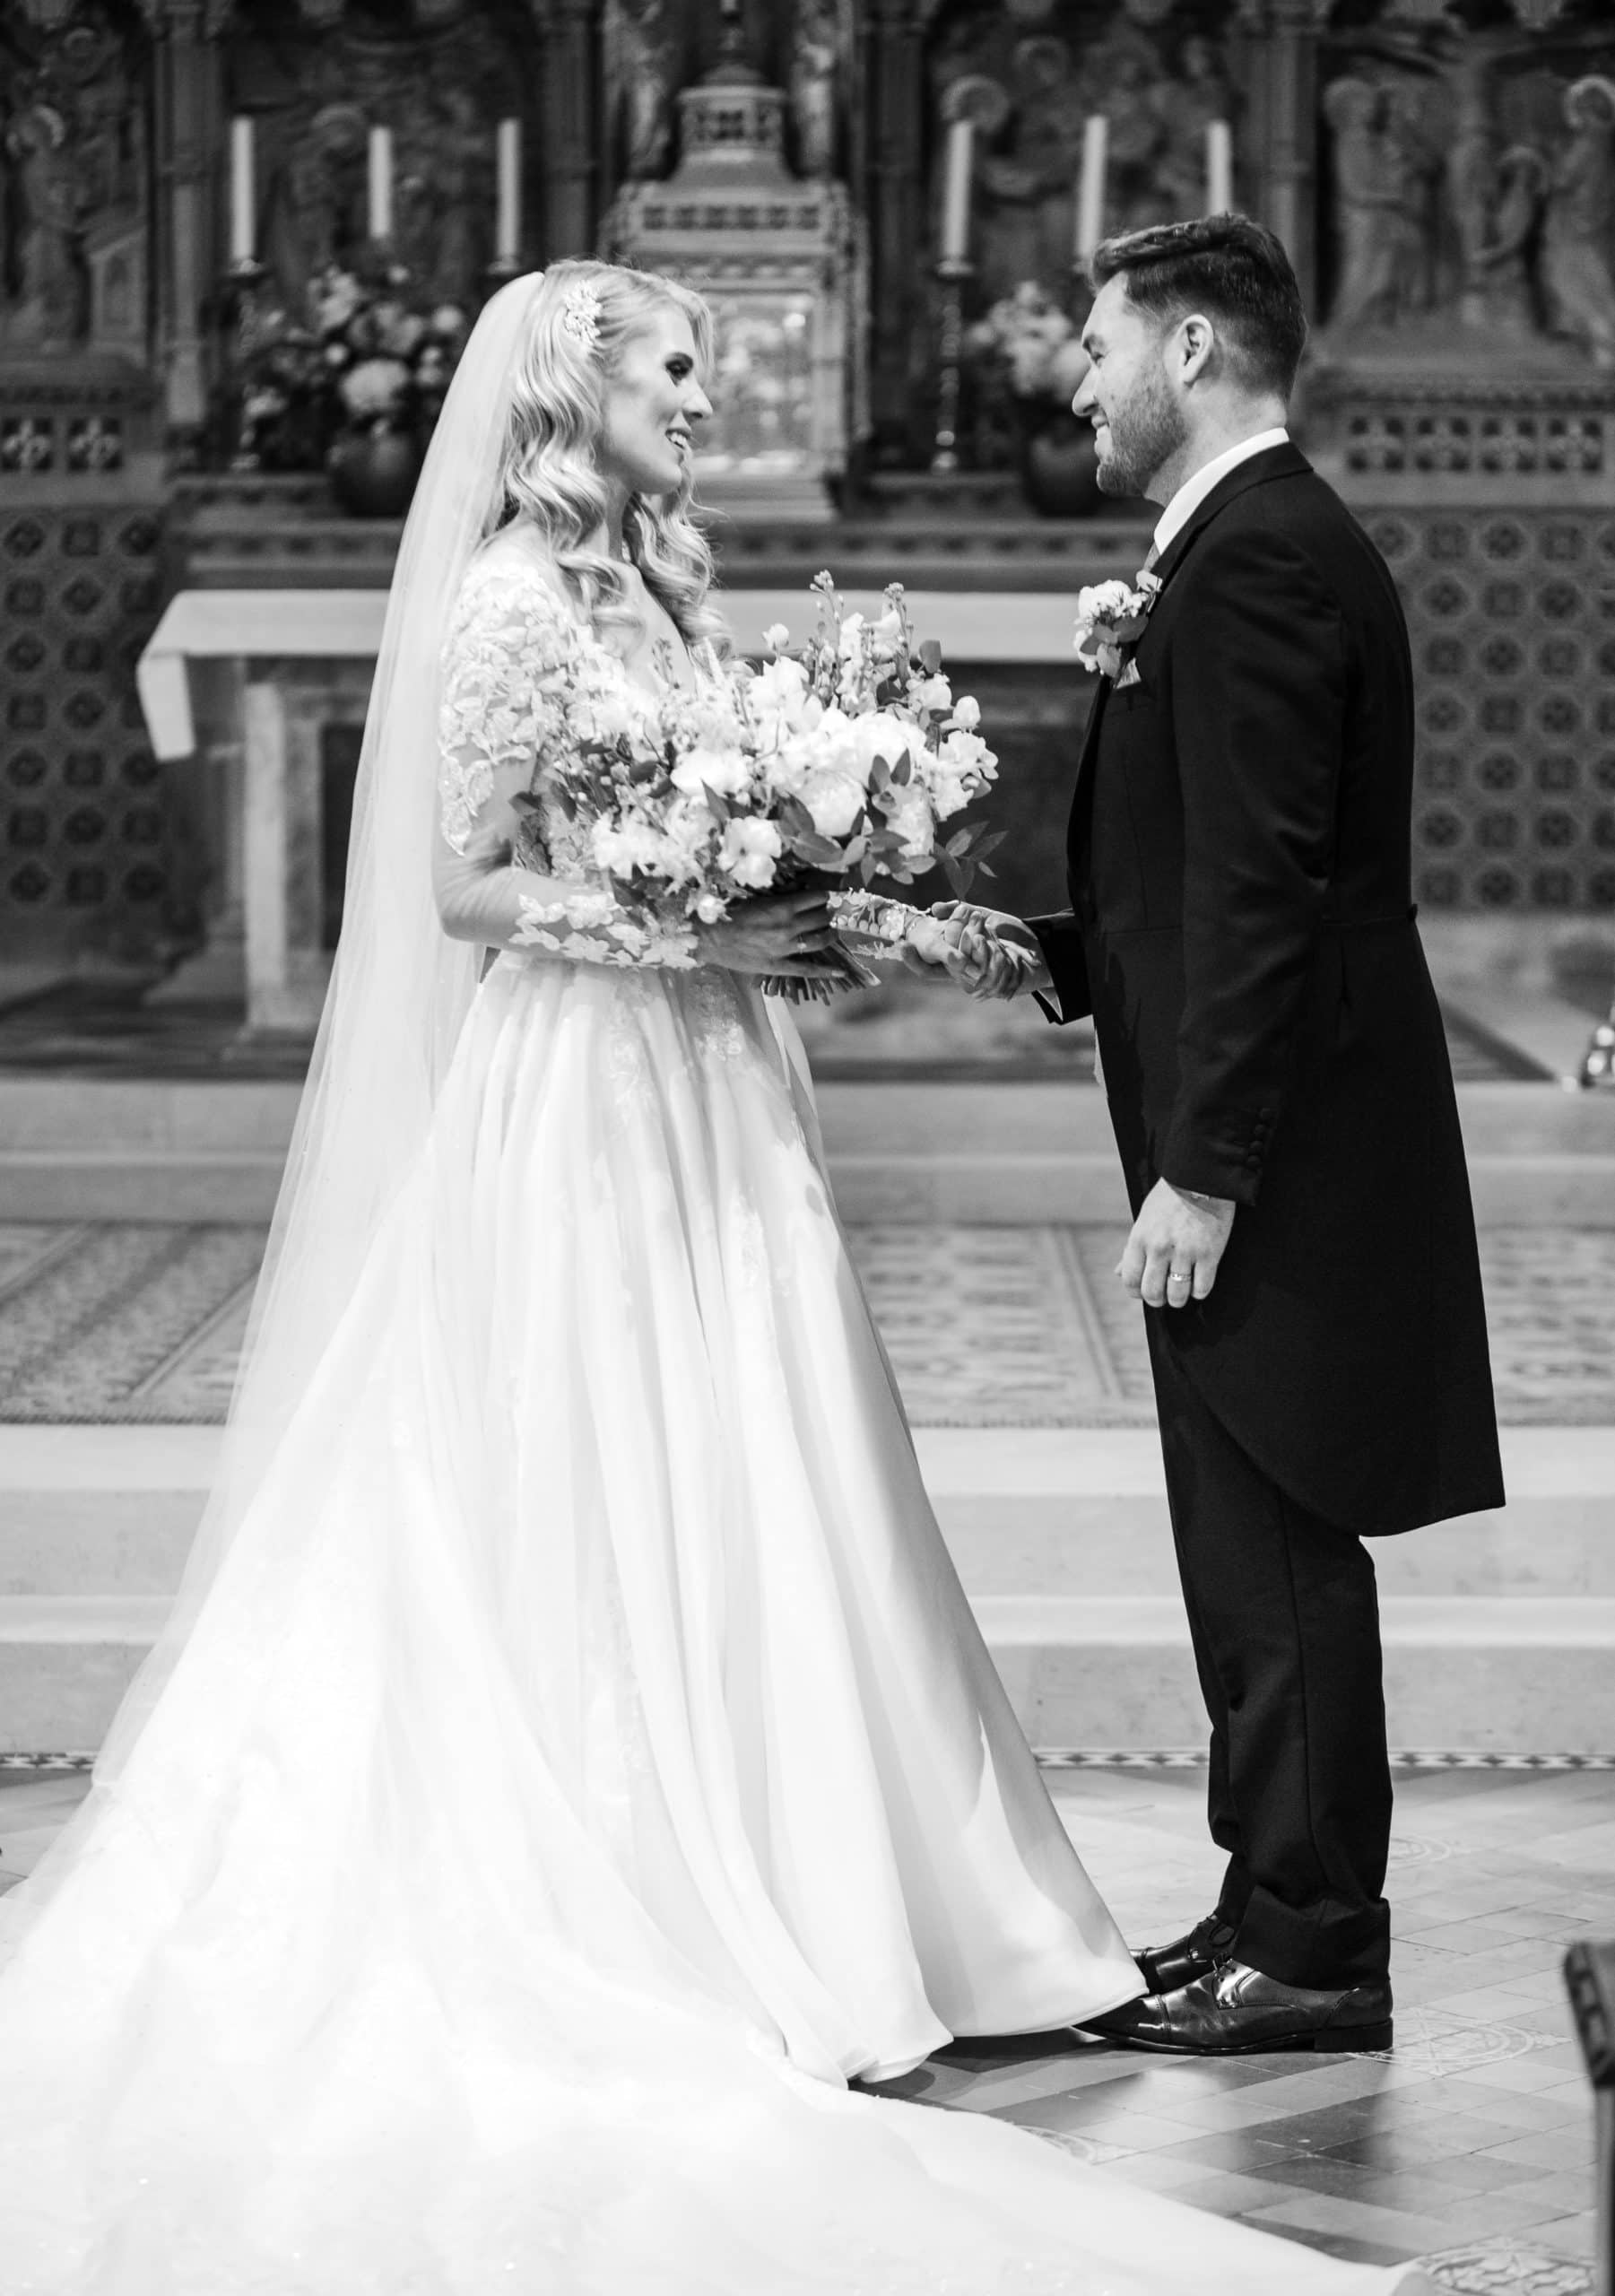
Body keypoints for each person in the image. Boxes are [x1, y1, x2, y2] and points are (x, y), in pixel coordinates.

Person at [0, 257, 1426, 2294]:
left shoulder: (659, 589)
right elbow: (461, 883)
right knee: (595, 1465)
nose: (706, 393)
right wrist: (692, 931)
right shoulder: (503, 597)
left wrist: (836, 902)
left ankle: (858, 1883)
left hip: (716, 1086)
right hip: (580, 1093)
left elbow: (729, 829)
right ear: (567, 397)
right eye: (674, 368)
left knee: (761, 1460)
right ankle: (653, 1887)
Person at [914, 215, 1503, 2058]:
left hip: (1281, 1139)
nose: (1074, 380)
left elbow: (1263, 890)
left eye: (1095, 345)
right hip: (1273, 1109)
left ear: (1185, 348)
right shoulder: (1245, 545)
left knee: (1274, 1534)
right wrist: (1047, 951)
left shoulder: (1254, 561)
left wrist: (1208, 1165)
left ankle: (1315, 1946)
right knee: (1242, 1535)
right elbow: (1214, 872)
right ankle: (1266, 1901)